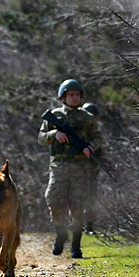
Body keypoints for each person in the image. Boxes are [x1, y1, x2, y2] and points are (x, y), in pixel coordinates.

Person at [38, 79, 101, 259]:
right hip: (59, 165)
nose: (74, 98)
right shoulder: (55, 115)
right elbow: (41, 137)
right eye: (71, 95)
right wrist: (54, 135)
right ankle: (60, 233)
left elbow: (98, 138)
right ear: (63, 97)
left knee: (77, 206)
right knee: (54, 200)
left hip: (80, 166)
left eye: (77, 95)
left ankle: (76, 246)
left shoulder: (87, 118)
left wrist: (90, 147)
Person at [81, 102, 102, 235]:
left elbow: (100, 149)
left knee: (91, 198)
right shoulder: (80, 132)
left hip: (92, 169)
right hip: (77, 169)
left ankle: (89, 225)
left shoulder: (95, 134)